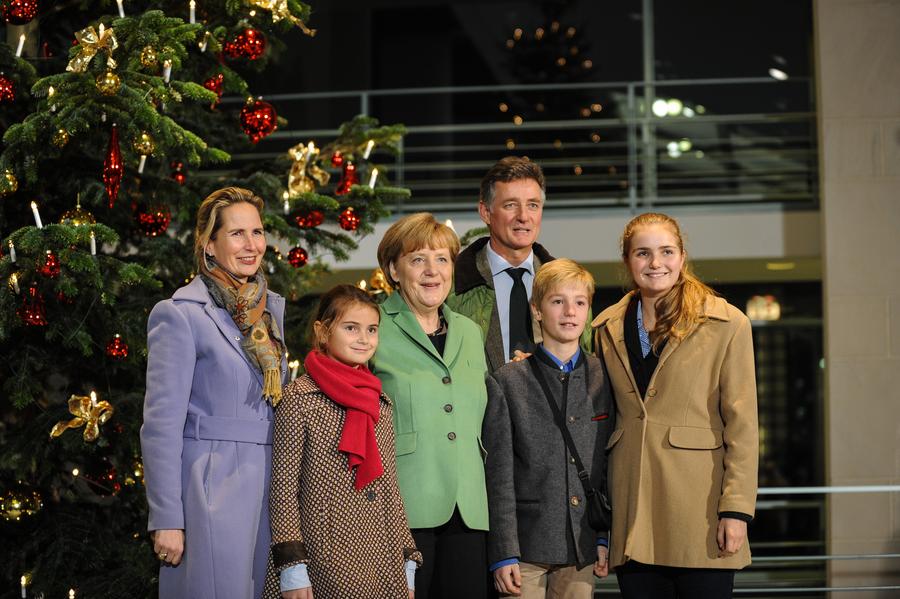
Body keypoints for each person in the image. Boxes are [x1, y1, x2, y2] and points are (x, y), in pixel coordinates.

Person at [592, 212, 758, 598]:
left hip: (699, 512)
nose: (656, 263)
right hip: (632, 511)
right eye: (643, 253)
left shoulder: (727, 324)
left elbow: (743, 425)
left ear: (682, 257)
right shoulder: (604, 328)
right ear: (627, 261)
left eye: (667, 251)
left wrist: (736, 510)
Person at [141, 187, 287, 598]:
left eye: (257, 232)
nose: (251, 245)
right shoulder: (180, 314)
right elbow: (160, 425)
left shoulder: (268, 311)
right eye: (237, 234)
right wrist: (167, 517)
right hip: (211, 483)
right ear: (209, 244)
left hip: (269, 482)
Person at [263, 284, 421, 599]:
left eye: (372, 329)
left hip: (382, 555)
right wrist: (292, 567)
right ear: (322, 332)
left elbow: (390, 488)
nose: (364, 338)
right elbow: (283, 490)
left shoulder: (380, 403)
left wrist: (407, 559)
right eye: (351, 328)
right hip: (323, 557)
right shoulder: (299, 398)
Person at [370, 212, 490, 599]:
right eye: (418, 259)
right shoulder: (373, 327)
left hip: (469, 509)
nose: (432, 271)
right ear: (394, 269)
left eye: (442, 259)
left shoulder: (470, 332)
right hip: (402, 507)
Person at [482, 258, 614, 599]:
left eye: (580, 302)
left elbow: (606, 464)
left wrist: (603, 535)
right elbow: (499, 475)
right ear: (537, 310)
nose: (570, 312)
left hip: (582, 542)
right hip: (525, 546)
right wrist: (503, 551)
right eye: (558, 301)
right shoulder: (508, 381)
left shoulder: (604, 377)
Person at [447, 156, 592, 372]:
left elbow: (586, 361)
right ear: (486, 212)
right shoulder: (450, 286)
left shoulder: (569, 286)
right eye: (510, 205)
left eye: (533, 205)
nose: (523, 216)